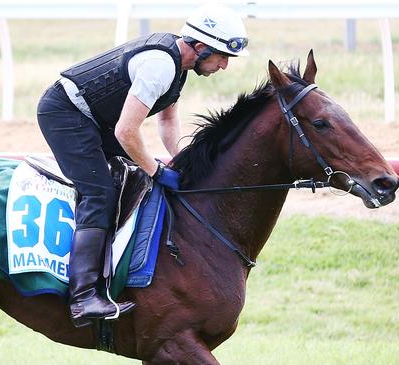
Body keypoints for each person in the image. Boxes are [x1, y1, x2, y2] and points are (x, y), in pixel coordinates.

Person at [36, 4, 249, 328]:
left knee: (132, 181)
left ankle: (111, 272)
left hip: (92, 119)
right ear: (202, 47)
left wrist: (182, 161)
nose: (224, 66)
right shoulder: (160, 66)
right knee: (100, 195)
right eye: (222, 56)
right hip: (66, 114)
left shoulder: (179, 66)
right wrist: (157, 170)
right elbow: (126, 131)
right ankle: (83, 298)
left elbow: (167, 122)